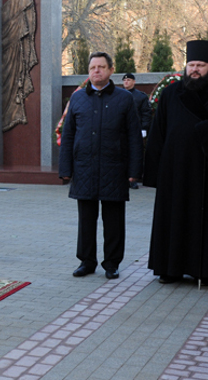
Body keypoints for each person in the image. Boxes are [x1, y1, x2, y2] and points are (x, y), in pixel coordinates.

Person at [144, 40, 208, 284]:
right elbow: (158, 133)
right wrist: (154, 173)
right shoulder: (172, 93)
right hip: (175, 173)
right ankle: (169, 268)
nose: (194, 69)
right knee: (174, 220)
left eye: (200, 65)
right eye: (191, 64)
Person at [59, 52, 143, 280]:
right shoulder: (77, 99)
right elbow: (68, 135)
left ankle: (112, 263)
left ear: (110, 70)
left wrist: (135, 172)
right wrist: (65, 168)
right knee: (86, 220)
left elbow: (134, 137)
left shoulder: (124, 98)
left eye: (101, 67)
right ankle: (86, 262)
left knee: (113, 220)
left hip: (114, 168)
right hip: (84, 168)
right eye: (93, 67)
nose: (96, 71)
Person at [121, 72, 152, 189]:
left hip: (135, 130)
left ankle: (133, 178)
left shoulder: (141, 96)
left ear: (134, 82)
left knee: (134, 154)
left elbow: (146, 113)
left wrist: (144, 128)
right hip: (121, 131)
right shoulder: (117, 94)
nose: (126, 82)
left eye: (129, 80)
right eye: (124, 80)